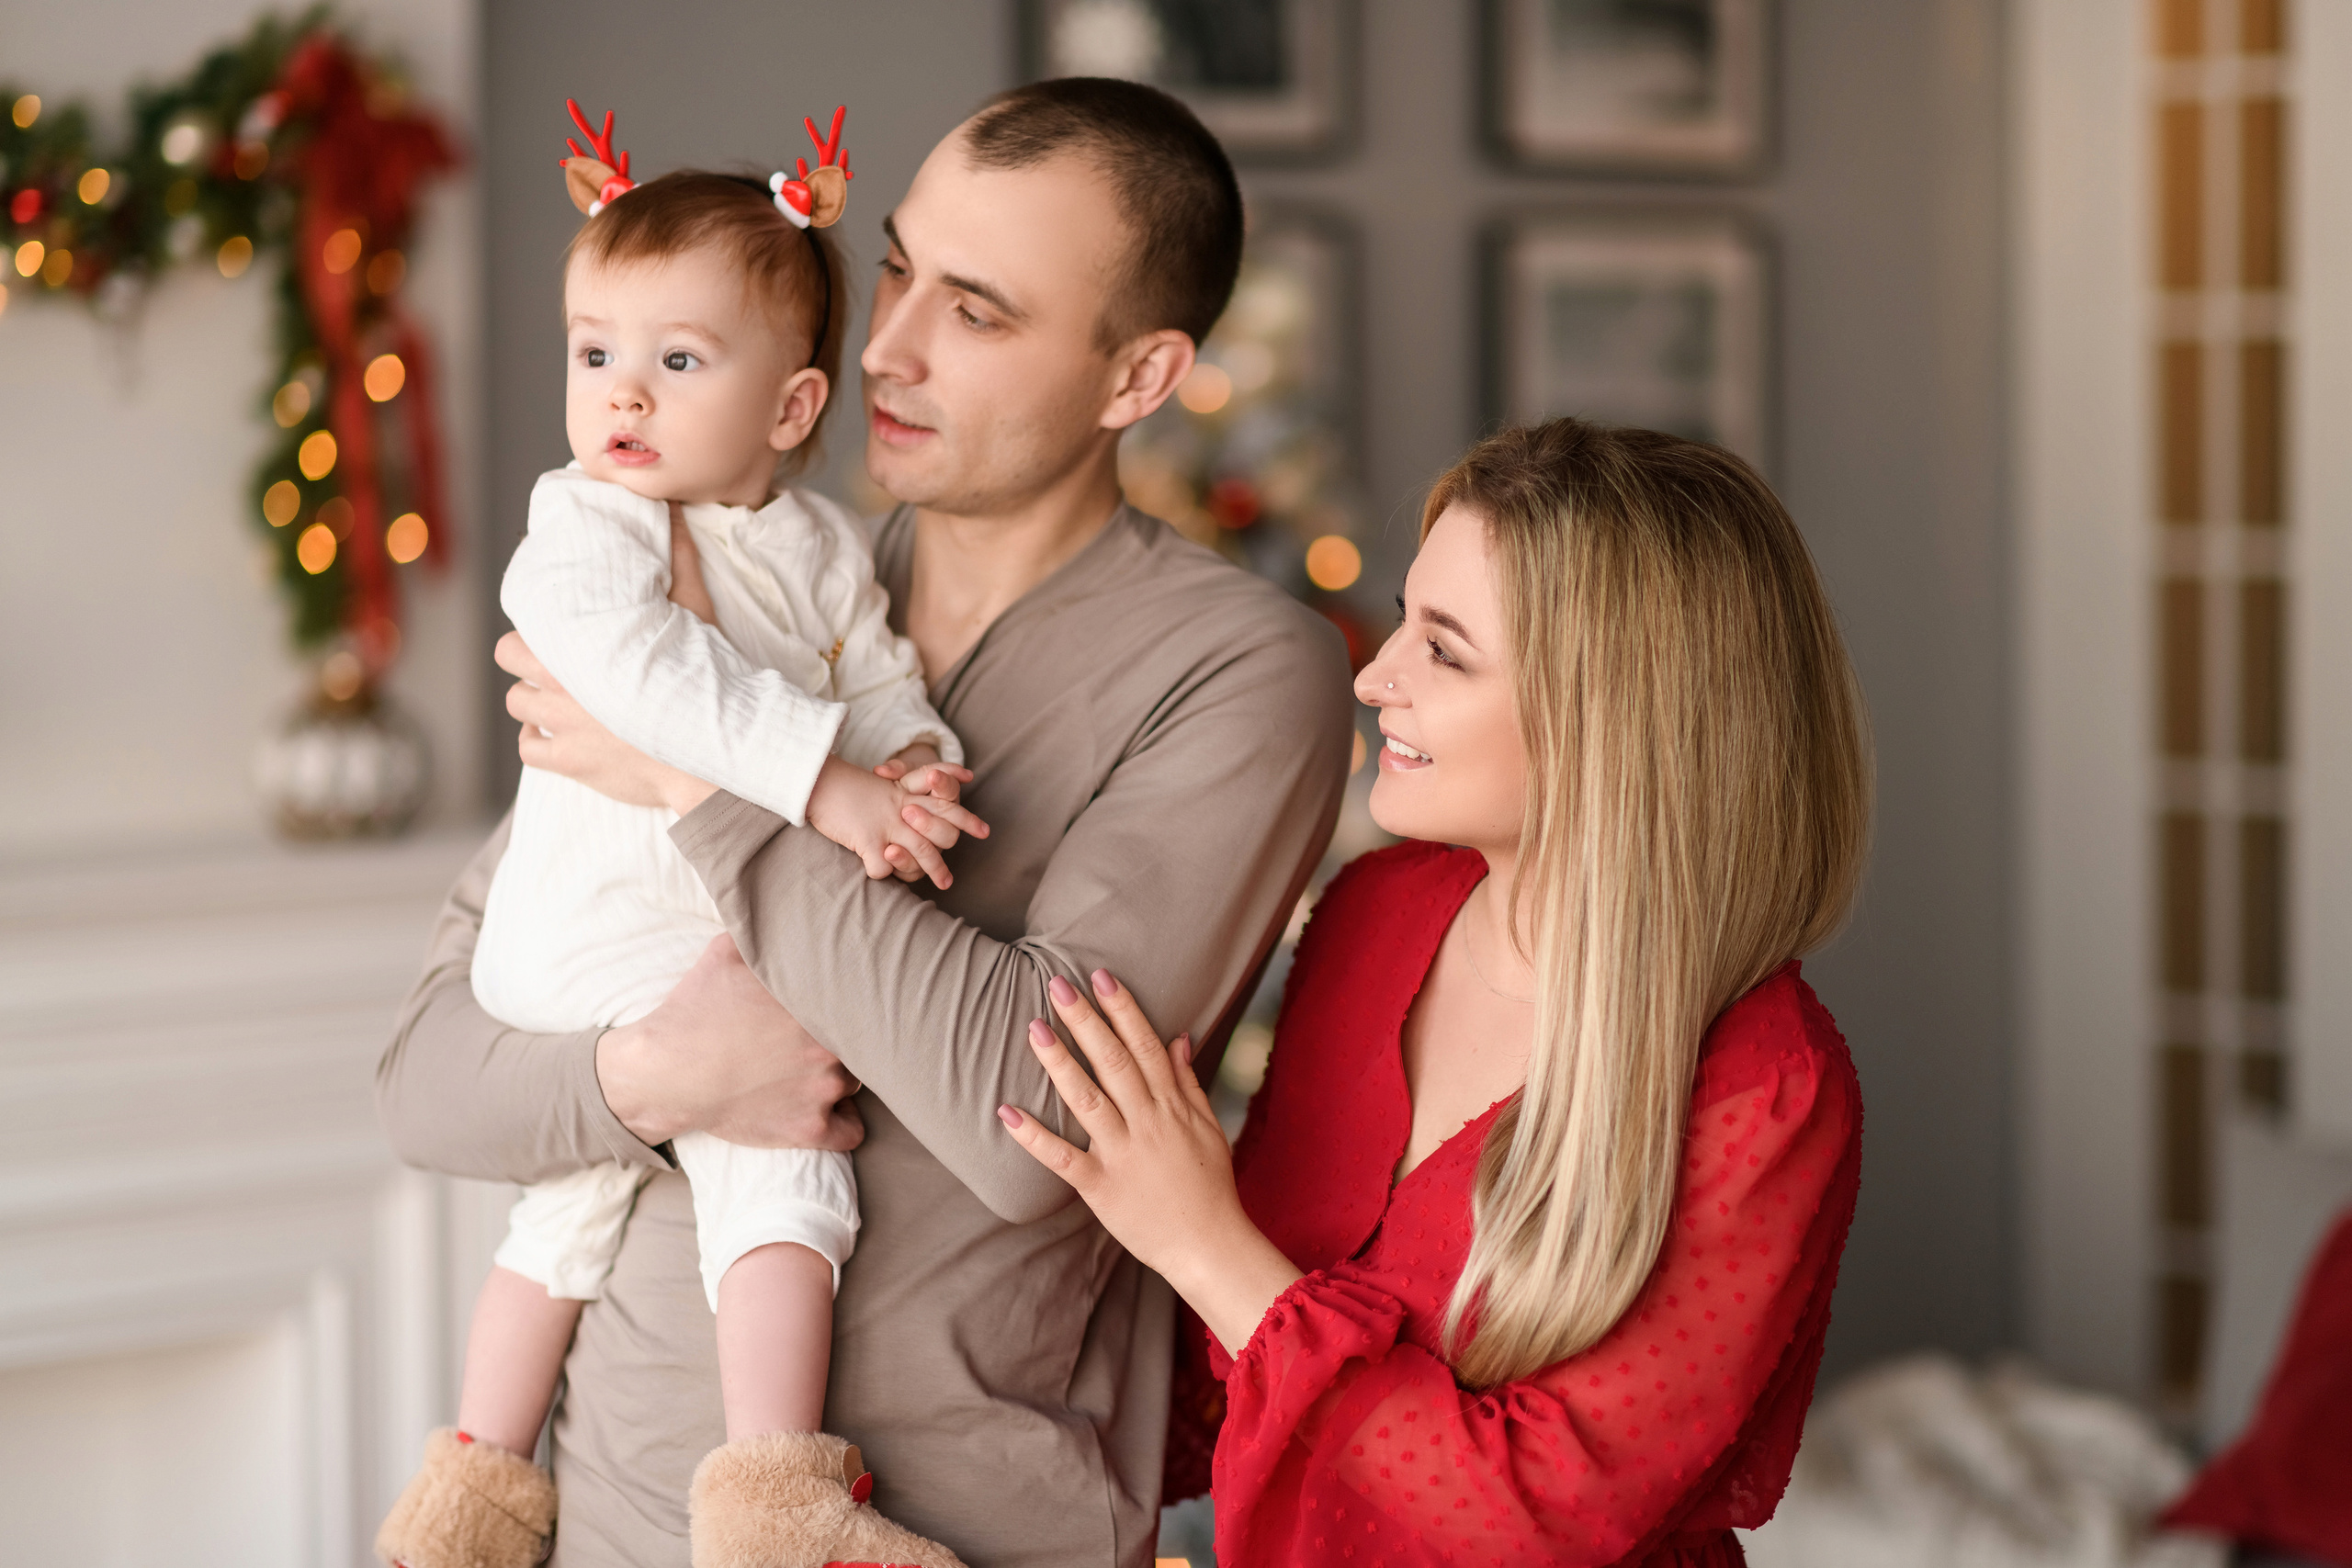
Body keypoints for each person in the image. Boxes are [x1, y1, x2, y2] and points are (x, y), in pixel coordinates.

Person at [374, 77, 1356, 1565]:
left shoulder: (1239, 668)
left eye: (977, 310)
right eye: (896, 266)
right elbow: (428, 1077)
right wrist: (651, 1077)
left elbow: (1035, 1125)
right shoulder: (739, 551)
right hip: (611, 1517)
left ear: (1138, 377)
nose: (883, 345)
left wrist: (696, 782)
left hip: (948, 1532)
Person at [1001, 417, 1871, 1566]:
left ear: (1609, 720)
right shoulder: (1374, 911)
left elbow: (1531, 1517)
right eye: (1403, 620)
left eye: (1444, 651)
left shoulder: (1765, 1089)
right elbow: (1211, 1398)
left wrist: (1204, 1245)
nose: (1373, 675)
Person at [377, 106, 987, 1568]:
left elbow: (871, 666)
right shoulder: (588, 520)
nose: (623, 398)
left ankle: (468, 1490)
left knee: (567, 1222)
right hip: (598, 932)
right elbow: (647, 677)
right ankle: (777, 1501)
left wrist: (915, 755)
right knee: (785, 1178)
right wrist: (832, 790)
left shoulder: (825, 542)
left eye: (676, 360)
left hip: (674, 940)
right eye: (597, 353)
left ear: (789, 409)